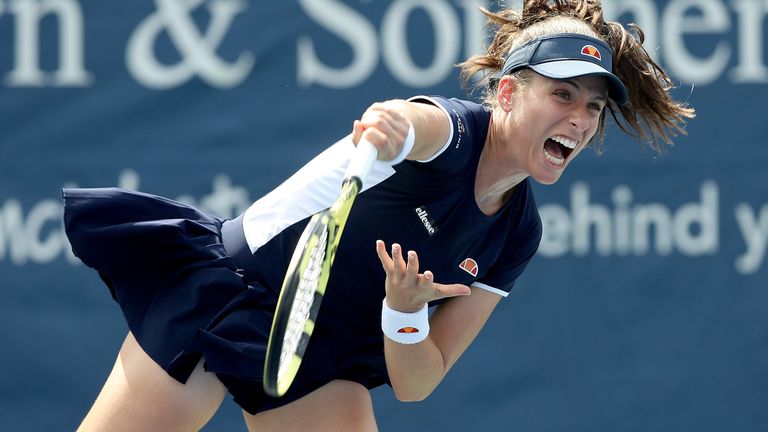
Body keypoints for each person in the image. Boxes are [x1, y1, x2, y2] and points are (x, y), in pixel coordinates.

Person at [63, 1, 695, 430]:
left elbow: (419, 382)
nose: (580, 120)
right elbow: (412, 124)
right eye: (562, 95)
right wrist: (391, 125)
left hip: (320, 358)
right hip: (229, 294)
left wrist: (405, 313)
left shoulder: (518, 232)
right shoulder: (451, 130)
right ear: (508, 91)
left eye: (592, 107)